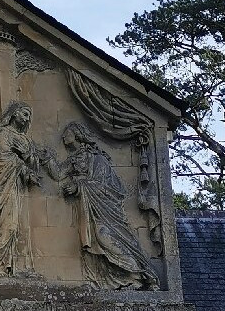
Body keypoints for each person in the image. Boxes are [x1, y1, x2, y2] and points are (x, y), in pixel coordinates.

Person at [60, 123, 159, 290]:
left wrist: (79, 185)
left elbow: (109, 188)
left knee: (105, 236)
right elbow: (57, 174)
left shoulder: (97, 159)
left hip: (106, 210)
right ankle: (112, 279)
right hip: (89, 209)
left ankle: (138, 274)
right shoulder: (73, 159)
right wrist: (43, 158)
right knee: (95, 240)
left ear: (77, 135)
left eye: (67, 132)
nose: (63, 136)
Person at [0, 102, 55, 276]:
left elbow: (32, 162)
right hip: (0, 187)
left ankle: (8, 266)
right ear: (14, 114)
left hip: (16, 186)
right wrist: (21, 163)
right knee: (5, 225)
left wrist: (29, 161)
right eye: (24, 114)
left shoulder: (24, 139)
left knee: (14, 226)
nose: (27, 118)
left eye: (28, 116)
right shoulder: (2, 133)